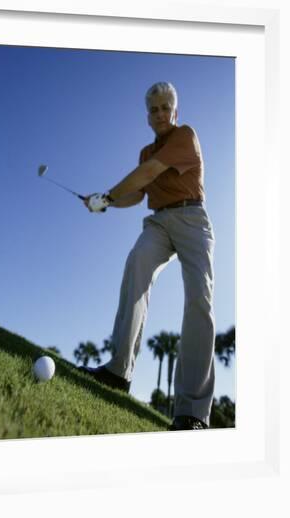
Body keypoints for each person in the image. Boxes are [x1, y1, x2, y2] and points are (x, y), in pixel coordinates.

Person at [81, 82, 216, 431]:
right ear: (147, 116)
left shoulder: (184, 135)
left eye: (165, 107)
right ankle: (117, 372)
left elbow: (150, 173)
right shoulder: (145, 151)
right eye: (153, 109)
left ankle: (192, 412)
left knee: (199, 298)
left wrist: (108, 194)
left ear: (175, 110)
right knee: (136, 263)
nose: (159, 114)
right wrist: (107, 203)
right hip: (158, 223)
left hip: (191, 219)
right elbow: (137, 195)